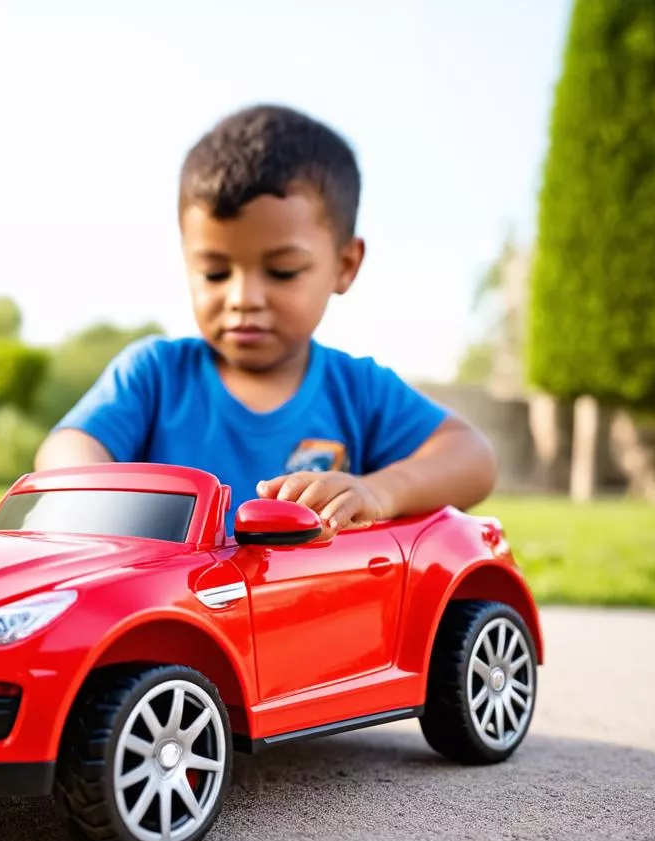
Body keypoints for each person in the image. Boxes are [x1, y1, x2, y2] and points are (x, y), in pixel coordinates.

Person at [35, 103, 496, 537]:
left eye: (282, 272)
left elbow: (472, 457)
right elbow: (65, 449)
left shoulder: (357, 390)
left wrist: (381, 490)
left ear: (345, 265)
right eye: (215, 272)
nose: (242, 298)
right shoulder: (155, 375)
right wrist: (105, 502)